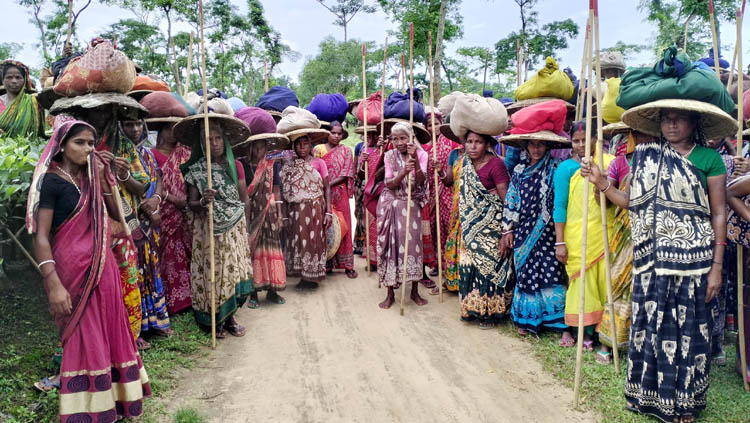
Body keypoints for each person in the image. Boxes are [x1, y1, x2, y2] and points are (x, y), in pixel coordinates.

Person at [582, 100, 732, 423]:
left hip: (695, 265)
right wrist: (601, 182)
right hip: (652, 265)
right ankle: (646, 395)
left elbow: (719, 213)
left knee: (690, 332)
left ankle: (684, 403)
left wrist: (717, 267)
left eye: (679, 119)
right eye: (666, 119)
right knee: (652, 329)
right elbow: (631, 203)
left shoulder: (710, 159)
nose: (672, 125)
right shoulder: (646, 158)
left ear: (695, 122)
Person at [27, 120, 151, 422]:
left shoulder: (93, 177)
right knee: (84, 335)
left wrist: (106, 178)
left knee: (107, 329)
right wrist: (53, 282)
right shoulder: (52, 182)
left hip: (103, 267)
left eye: (91, 143)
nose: (87, 149)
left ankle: (112, 404)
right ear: (62, 144)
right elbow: (41, 236)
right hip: (71, 272)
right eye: (79, 143)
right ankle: (86, 409)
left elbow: (114, 217)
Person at [499, 100, 571, 340]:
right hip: (523, 230)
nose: (536, 149)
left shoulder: (556, 168)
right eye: (532, 144)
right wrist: (507, 229)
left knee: (552, 272)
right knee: (527, 272)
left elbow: (561, 200)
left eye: (541, 144)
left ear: (548, 146)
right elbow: (511, 200)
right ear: (526, 146)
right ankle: (528, 318)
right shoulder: (518, 171)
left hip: (550, 231)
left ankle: (557, 321)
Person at [176, 113, 254, 338]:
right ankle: (215, 320)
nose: (214, 143)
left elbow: (244, 199)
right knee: (214, 272)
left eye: (217, 138)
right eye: (208, 140)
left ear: (225, 140)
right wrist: (203, 201)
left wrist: (245, 228)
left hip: (234, 229)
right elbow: (191, 204)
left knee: (232, 272)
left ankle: (230, 318)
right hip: (209, 230)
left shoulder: (235, 166)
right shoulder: (197, 170)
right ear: (202, 143)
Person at [98, 118, 171, 349]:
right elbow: (137, 187)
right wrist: (125, 176)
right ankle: (135, 328)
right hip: (128, 219)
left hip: (148, 216)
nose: (136, 129)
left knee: (150, 266)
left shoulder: (147, 154)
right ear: (120, 127)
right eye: (129, 124)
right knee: (133, 271)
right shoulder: (115, 154)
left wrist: (156, 200)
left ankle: (155, 320)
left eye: (139, 124)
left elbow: (157, 180)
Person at [553, 119, 615, 362]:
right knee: (581, 283)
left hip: (604, 233)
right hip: (576, 235)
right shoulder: (566, 168)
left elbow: (610, 200)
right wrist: (560, 241)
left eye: (585, 139)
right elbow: (560, 206)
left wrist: (598, 178)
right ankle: (584, 331)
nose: (580, 145)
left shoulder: (610, 163)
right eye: (576, 140)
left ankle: (603, 334)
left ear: (596, 139)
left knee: (604, 283)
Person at [145, 93, 193, 315]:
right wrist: (174, 200)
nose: (173, 133)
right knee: (170, 254)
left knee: (187, 252)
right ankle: (173, 300)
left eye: (177, 129)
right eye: (169, 128)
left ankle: (190, 297)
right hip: (165, 210)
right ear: (161, 130)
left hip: (188, 211)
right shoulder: (151, 155)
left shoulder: (185, 154)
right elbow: (156, 185)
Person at [234, 106, 288, 306]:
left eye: (262, 146)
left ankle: (273, 290)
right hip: (251, 215)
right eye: (254, 146)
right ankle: (254, 294)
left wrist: (281, 215)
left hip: (270, 213)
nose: (258, 151)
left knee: (273, 250)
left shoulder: (273, 164)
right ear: (249, 147)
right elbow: (243, 194)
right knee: (254, 252)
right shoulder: (243, 166)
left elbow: (276, 189)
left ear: (267, 147)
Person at [376, 121, 429, 309]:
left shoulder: (422, 154)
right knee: (392, 247)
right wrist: (403, 172)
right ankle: (390, 293)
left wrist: (415, 166)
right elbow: (389, 183)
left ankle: (414, 291)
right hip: (393, 205)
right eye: (395, 138)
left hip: (412, 205)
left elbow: (422, 183)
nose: (399, 142)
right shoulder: (389, 156)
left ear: (411, 138)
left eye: (403, 138)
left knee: (413, 247)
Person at [277, 108, 331, 290]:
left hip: (315, 208)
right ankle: (302, 276)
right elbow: (284, 189)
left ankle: (313, 277)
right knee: (298, 241)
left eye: (305, 144)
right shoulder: (289, 163)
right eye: (298, 144)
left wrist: (329, 212)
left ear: (311, 145)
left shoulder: (319, 163)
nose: (302, 147)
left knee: (313, 241)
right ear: (293, 146)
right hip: (295, 210)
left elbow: (327, 187)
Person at [314, 121, 358, 278]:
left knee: (345, 225)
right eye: (334, 133)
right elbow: (314, 169)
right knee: (327, 227)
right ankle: (328, 263)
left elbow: (346, 173)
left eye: (339, 134)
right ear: (328, 133)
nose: (337, 136)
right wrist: (323, 187)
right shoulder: (318, 150)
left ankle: (347, 265)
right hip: (322, 194)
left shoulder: (346, 151)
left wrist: (327, 184)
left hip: (340, 194)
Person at [423, 108, 460, 286]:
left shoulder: (450, 144)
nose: (433, 128)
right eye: (430, 125)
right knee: (434, 228)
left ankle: (449, 265)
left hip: (448, 191)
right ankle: (437, 262)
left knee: (448, 227)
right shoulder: (426, 145)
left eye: (436, 124)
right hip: (431, 194)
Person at [0, 59, 44, 137]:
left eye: (18, 77)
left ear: (24, 80)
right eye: (9, 77)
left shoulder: (33, 102)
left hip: (27, 146)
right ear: (3, 81)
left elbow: (38, 132)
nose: (14, 81)